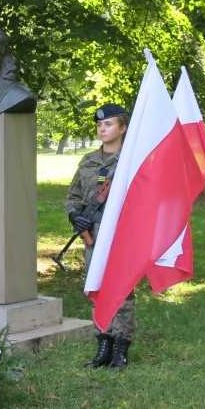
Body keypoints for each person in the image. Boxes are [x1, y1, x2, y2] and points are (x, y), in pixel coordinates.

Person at [65, 103, 134, 369]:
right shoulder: (88, 161)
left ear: (123, 128)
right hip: (92, 234)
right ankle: (103, 342)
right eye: (99, 125)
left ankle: (121, 345)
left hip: (121, 234)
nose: (102, 129)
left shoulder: (130, 162)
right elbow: (72, 197)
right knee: (95, 286)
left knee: (122, 289)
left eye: (108, 124)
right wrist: (75, 215)